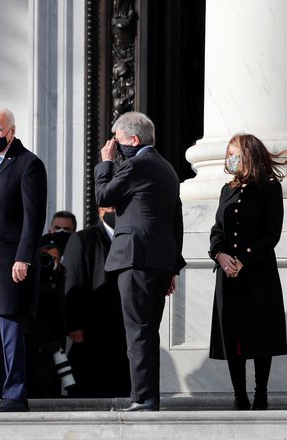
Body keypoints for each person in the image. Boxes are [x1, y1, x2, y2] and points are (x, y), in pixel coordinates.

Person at [94, 111, 185, 412]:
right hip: (158, 262)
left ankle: (143, 399)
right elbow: (176, 221)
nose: (115, 145)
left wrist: (106, 163)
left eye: (118, 140)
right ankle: (147, 397)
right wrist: (172, 266)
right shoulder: (168, 168)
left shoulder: (135, 165)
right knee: (146, 332)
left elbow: (103, 195)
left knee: (137, 333)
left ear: (133, 139)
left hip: (136, 258)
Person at [0, 107, 47, 412]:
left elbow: (34, 216)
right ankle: (6, 394)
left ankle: (15, 395)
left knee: (11, 329)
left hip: (13, 262)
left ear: (11, 130)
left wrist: (24, 257)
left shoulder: (29, 164)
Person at [208, 133, 287, 411]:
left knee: (260, 334)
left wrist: (243, 259)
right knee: (232, 334)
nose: (230, 159)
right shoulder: (226, 189)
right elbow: (217, 229)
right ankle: (239, 395)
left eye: (235, 154)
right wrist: (219, 254)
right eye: (228, 154)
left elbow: (271, 233)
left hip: (258, 273)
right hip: (228, 275)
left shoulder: (269, 187)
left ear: (248, 155)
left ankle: (261, 394)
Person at [62, 206, 131, 398]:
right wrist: (74, 325)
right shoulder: (82, 239)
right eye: (113, 208)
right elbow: (73, 283)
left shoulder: (130, 238)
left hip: (123, 330)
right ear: (101, 211)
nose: (117, 212)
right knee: (90, 388)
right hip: (91, 331)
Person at [25, 232, 71, 398]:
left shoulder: (63, 276)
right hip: (32, 341)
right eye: (45, 257)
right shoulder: (30, 278)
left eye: (53, 258)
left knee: (53, 386)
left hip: (55, 342)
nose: (49, 262)